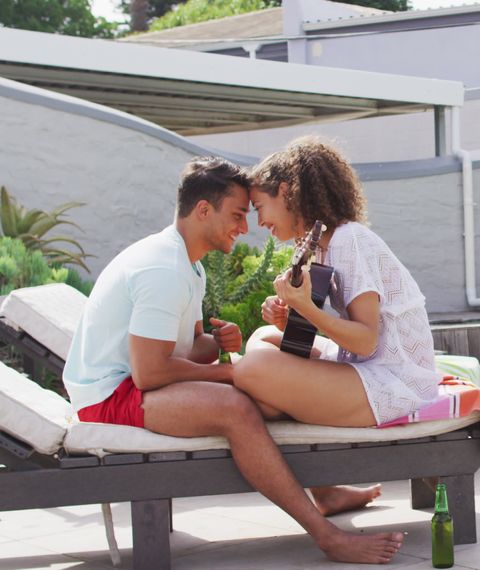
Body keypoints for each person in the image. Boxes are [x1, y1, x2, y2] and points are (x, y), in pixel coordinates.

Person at [62, 157, 403, 565]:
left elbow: (186, 349)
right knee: (237, 406)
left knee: (266, 386)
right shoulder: (162, 268)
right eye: (238, 215)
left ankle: (326, 491)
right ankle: (326, 536)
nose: (245, 228)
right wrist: (230, 371)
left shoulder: (188, 266)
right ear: (203, 210)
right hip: (108, 398)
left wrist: (217, 343)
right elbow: (150, 372)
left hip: (133, 384)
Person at [233, 135, 443, 449]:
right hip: (361, 363)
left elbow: (365, 338)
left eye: (260, 208)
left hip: (396, 382)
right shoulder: (322, 245)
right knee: (263, 337)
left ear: (286, 192)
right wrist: (289, 318)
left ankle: (263, 395)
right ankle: (276, 400)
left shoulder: (348, 240)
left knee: (251, 368)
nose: (261, 222)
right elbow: (318, 339)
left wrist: (307, 309)